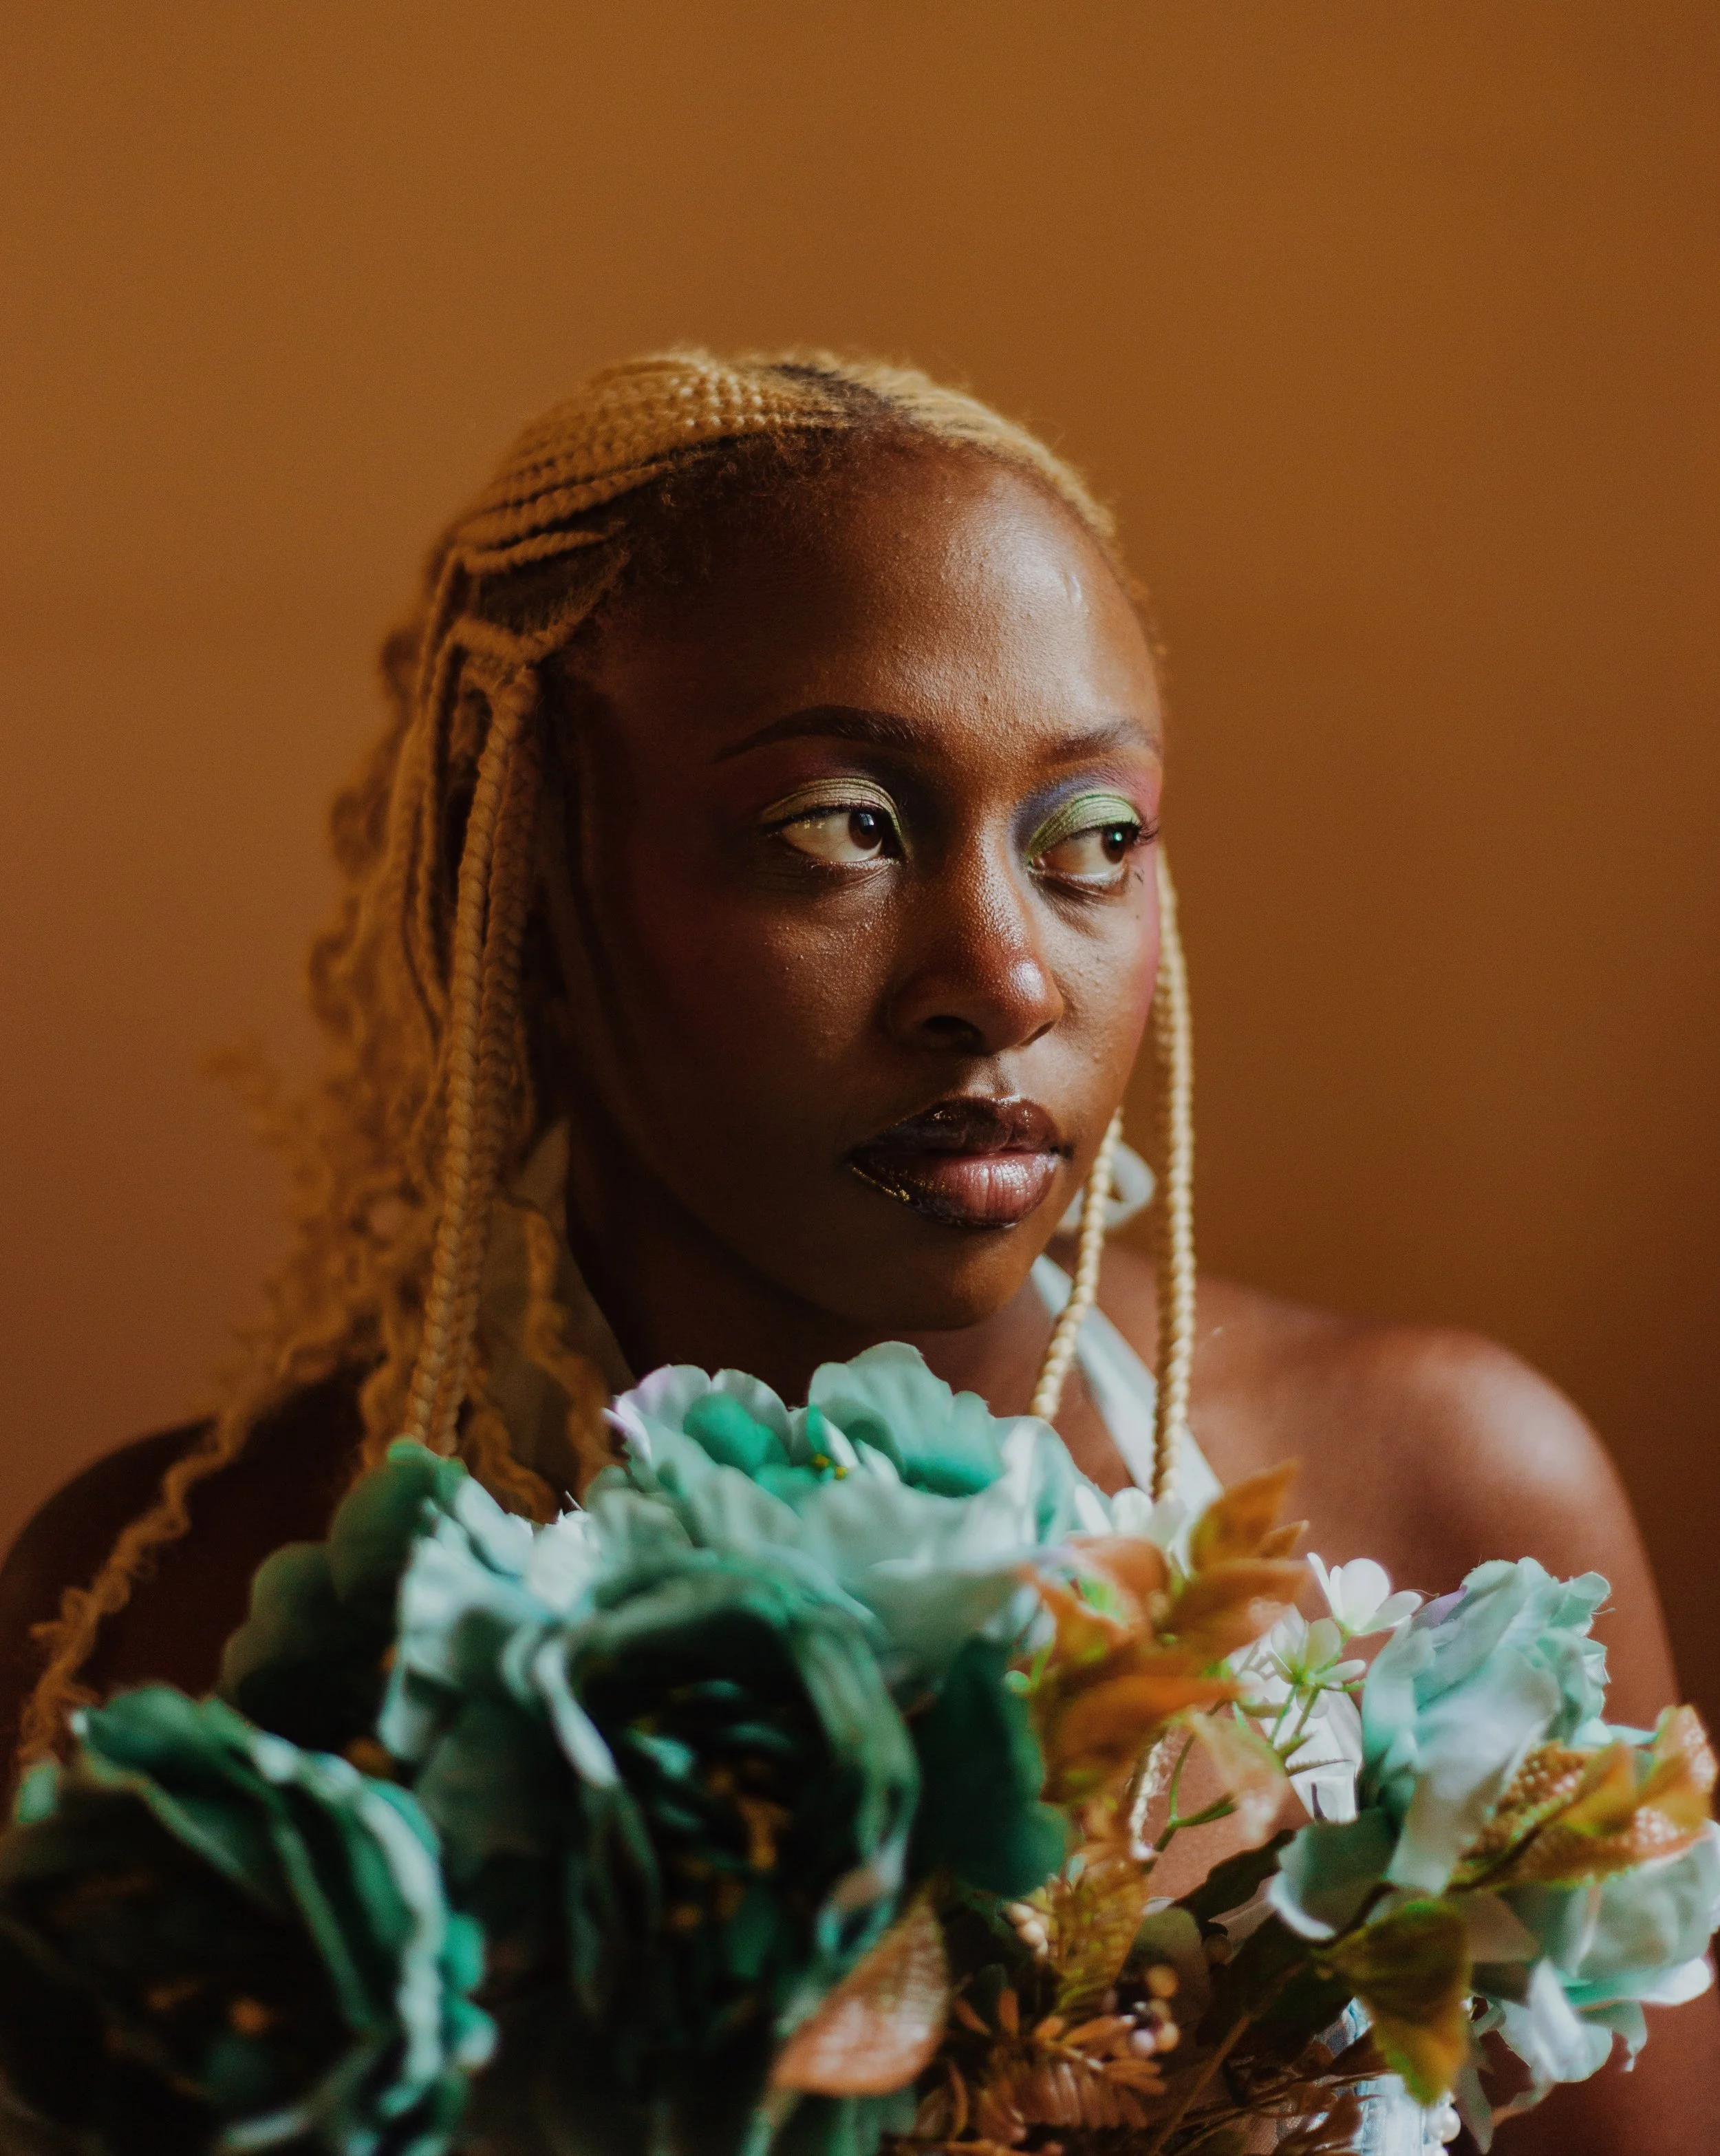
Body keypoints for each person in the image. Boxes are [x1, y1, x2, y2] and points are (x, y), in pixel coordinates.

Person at [0, 351, 1708, 2147]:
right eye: (840, 830)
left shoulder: (1435, 1507)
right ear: (536, 879)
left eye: (1092, 838)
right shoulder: (188, 1626)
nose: (1004, 977)